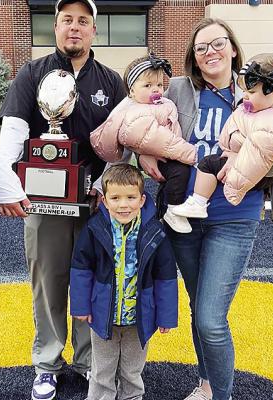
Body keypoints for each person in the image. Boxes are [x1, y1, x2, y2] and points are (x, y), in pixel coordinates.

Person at [138, 18, 273, 400]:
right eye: (200, 48)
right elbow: (137, 111)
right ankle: (207, 383)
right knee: (199, 309)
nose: (209, 52)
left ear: (233, 48)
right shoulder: (178, 89)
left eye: (217, 44)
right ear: (193, 58)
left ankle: (221, 395)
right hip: (183, 213)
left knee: (212, 319)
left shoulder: (263, 89)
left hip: (234, 214)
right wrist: (143, 149)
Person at [0, 0, 125, 399]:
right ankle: (48, 362)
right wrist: (7, 183)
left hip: (95, 203)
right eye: (67, 20)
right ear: (55, 26)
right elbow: (15, 129)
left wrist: (104, 182)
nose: (75, 27)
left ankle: (88, 361)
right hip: (42, 203)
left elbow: (124, 140)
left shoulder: (111, 81)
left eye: (83, 21)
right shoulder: (32, 73)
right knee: (48, 283)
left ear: (93, 30)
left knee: (89, 280)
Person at [70, 164, 178, 400]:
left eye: (130, 197)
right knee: (101, 372)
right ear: (105, 201)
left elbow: (166, 276)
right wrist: (80, 306)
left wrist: (166, 315)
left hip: (139, 318)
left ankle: (132, 397)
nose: (123, 204)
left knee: (132, 371)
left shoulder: (154, 232)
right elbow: (81, 269)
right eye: (116, 198)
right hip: (102, 315)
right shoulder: (94, 228)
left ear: (142, 199)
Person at [173, 53, 273, 220]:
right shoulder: (258, 110)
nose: (245, 96)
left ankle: (198, 202)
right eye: (244, 91)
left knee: (208, 164)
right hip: (246, 165)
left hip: (251, 173)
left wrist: (235, 183)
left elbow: (262, 148)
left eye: (251, 91)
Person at [90, 54, 197, 233]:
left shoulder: (160, 104)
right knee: (180, 172)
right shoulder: (134, 110)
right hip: (171, 154)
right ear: (132, 91)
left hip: (166, 154)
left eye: (160, 85)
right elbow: (151, 139)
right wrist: (192, 155)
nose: (155, 90)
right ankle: (173, 209)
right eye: (147, 85)